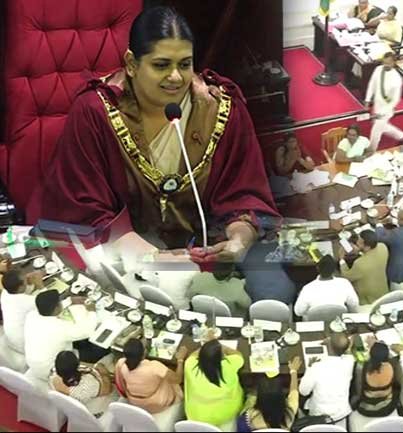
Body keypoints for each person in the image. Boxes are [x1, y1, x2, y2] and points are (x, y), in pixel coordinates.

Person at [34, 7, 278, 262]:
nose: (176, 77)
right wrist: (155, 259)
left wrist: (239, 240)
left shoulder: (222, 109)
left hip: (206, 259)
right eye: (161, 65)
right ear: (131, 64)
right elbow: (84, 213)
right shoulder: (96, 113)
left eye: (185, 64)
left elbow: (244, 197)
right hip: (123, 263)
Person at [24, 290, 98, 380]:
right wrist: (92, 311)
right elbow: (87, 331)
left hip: (36, 364)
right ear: (56, 308)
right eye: (60, 302)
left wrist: (70, 300)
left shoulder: (31, 316)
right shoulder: (58, 327)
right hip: (53, 370)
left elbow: (52, 308)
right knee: (96, 349)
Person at [184, 339, 245, 427]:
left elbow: (193, 355)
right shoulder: (229, 364)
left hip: (197, 416)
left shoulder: (190, 365)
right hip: (226, 415)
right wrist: (220, 346)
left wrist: (208, 345)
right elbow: (238, 355)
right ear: (222, 357)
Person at [115, 338, 186, 414]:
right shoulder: (154, 367)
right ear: (144, 353)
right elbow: (178, 379)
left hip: (136, 402)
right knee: (173, 380)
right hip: (157, 403)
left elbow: (121, 385)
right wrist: (180, 360)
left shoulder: (121, 364)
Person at [299, 334, 355, 421]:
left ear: (329, 345)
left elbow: (303, 391)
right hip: (342, 413)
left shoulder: (316, 367)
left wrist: (309, 368)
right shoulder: (349, 362)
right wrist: (344, 344)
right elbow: (347, 352)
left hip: (320, 415)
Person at [238, 357, 302, 431]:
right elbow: (294, 392)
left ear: (259, 399)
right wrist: (294, 370)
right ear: (281, 396)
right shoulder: (289, 413)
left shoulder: (248, 416)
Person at [365, 52, 403, 152]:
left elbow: (396, 100)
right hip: (377, 104)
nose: (385, 65)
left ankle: (371, 150)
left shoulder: (397, 78)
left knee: (376, 130)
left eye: (388, 63)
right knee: (380, 125)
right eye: (384, 63)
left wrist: (382, 113)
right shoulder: (378, 69)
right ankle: (402, 136)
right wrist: (367, 100)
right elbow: (372, 84)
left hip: (387, 109)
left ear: (394, 63)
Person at [294, 255, 359, 318]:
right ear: (334, 270)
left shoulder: (307, 288)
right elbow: (354, 305)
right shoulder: (344, 283)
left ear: (317, 268)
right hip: (339, 322)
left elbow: (298, 312)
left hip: (316, 323)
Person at [339, 230, 389, 305]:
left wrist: (341, 259)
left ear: (367, 247)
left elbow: (346, 276)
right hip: (384, 293)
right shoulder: (383, 247)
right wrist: (359, 251)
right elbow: (371, 256)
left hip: (369, 301)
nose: (357, 243)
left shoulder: (360, 264)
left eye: (360, 242)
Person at [0, 269, 40, 353]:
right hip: (27, 344)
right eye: (25, 280)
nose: (27, 279)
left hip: (12, 339)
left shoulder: (5, 293)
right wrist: (40, 284)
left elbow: (22, 291)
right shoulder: (24, 301)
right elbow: (48, 302)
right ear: (20, 287)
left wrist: (30, 283)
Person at [357, 341, 398, 417]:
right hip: (387, 407)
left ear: (371, 355)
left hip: (366, 408)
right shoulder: (392, 365)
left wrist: (372, 350)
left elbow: (358, 388)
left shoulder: (364, 368)